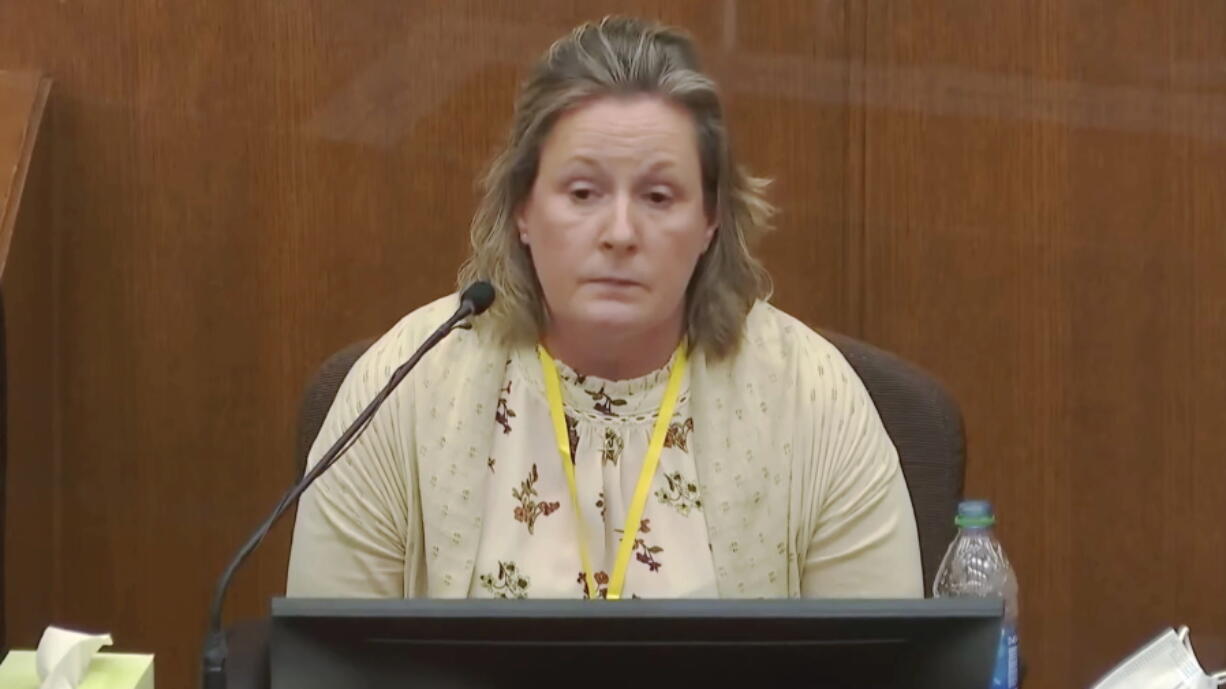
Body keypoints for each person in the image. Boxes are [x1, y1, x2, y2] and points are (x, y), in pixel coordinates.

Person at [286, 15, 922, 600]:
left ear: (709, 223)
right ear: (524, 211)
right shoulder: (404, 390)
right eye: (583, 191)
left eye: (658, 196)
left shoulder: (811, 400)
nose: (620, 232)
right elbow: (329, 662)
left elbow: (885, 668)